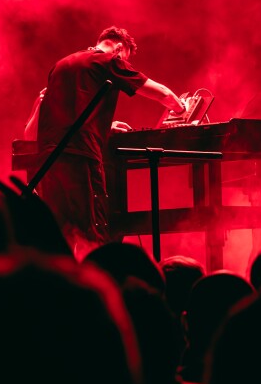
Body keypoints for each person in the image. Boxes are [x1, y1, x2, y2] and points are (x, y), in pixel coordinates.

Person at [35, 25, 185, 260]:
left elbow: (68, 111)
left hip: (48, 159)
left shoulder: (62, 64)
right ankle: (98, 286)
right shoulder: (108, 60)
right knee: (92, 228)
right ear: (118, 48)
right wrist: (181, 108)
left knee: (58, 232)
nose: (126, 64)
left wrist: (106, 125)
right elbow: (161, 93)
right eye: (126, 58)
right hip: (81, 155)